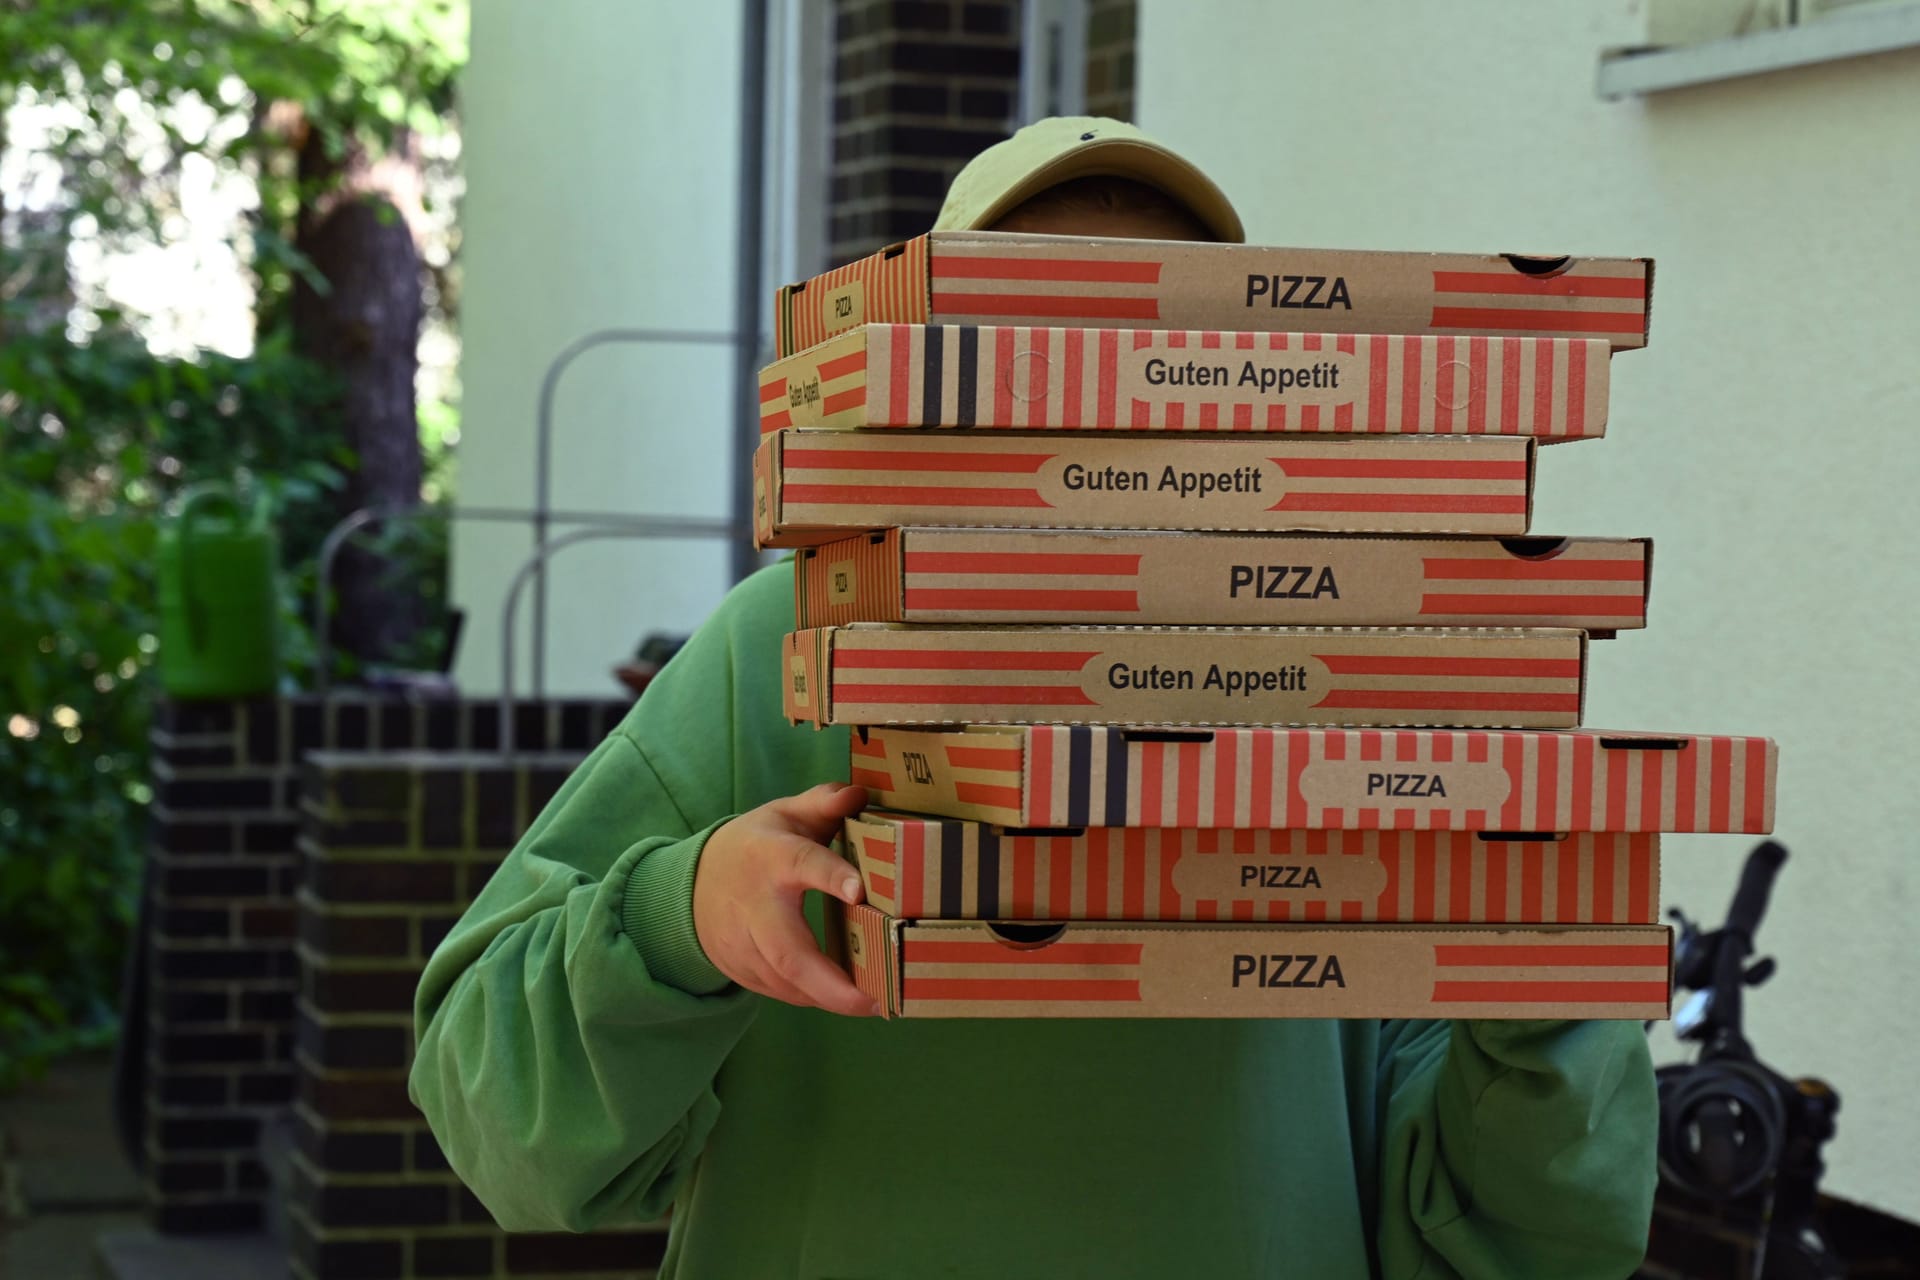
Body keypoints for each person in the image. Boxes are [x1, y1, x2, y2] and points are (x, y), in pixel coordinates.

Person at [410, 117, 1658, 1279]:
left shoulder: (1359, 679)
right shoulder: (793, 643)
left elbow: (1520, 1236)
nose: (1112, 406)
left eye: (1161, 347)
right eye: (1044, 339)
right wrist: (687, 919)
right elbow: (493, 1117)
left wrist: (1546, 982)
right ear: (939, 388)